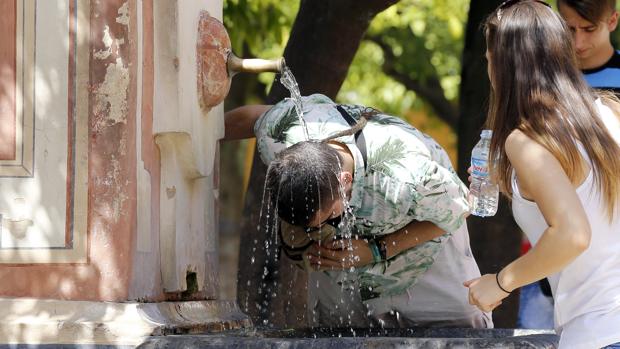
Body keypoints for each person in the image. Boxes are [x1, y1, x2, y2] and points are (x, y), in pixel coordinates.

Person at [225, 94, 492, 328]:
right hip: (344, 255)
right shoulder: (281, 133)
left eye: (328, 217)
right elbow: (249, 118)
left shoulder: (409, 176)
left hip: (425, 233)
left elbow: (460, 209)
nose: (318, 229)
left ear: (345, 181)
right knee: (335, 336)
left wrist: (378, 249)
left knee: (461, 331)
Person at [464, 1, 620, 348]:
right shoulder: (608, 113)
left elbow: (573, 234)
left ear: (502, 67)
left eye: (489, 61)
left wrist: (501, 281)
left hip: (599, 332)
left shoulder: (527, 139)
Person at [558, 0, 620, 94]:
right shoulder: (544, 71)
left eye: (589, 29)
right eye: (570, 29)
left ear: (612, 21)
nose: (578, 44)